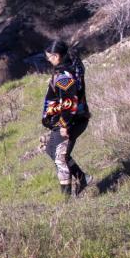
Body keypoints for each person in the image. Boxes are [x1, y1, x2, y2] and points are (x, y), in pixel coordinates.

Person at [41, 40, 91, 197]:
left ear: (57, 56)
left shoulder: (63, 76)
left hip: (70, 122)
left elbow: (69, 103)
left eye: (50, 57)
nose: (49, 60)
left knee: (59, 157)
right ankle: (83, 178)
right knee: (50, 150)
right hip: (67, 120)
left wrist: (64, 125)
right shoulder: (67, 69)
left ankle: (66, 201)